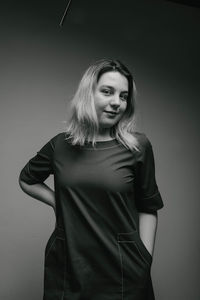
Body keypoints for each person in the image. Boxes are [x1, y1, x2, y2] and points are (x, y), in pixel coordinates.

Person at [18, 58, 164, 300]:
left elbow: (148, 207)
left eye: (124, 96)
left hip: (123, 269)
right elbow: (27, 179)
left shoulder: (138, 146)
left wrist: (145, 260)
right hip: (68, 264)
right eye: (107, 92)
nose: (117, 102)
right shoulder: (60, 145)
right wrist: (58, 202)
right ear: (88, 94)